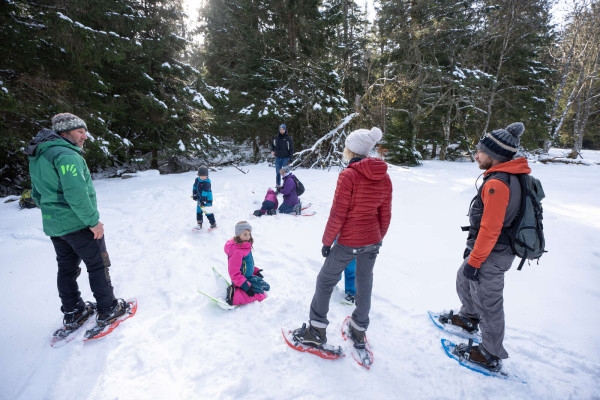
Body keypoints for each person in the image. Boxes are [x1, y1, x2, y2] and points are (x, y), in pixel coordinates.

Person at [438, 122, 529, 372]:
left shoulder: (497, 184)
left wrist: (476, 261)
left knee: (489, 301)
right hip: (490, 248)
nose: (476, 155)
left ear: (494, 155)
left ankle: (489, 354)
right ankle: (468, 318)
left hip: (494, 252)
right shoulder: (507, 175)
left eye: (480, 151)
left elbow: (491, 229)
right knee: (463, 278)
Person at [25, 113, 127, 330]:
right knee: (98, 264)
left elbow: (36, 193)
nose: (85, 136)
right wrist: (93, 221)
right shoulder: (67, 155)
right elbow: (76, 194)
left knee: (67, 269)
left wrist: (54, 212)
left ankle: (74, 312)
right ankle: (108, 309)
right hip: (78, 223)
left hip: (56, 225)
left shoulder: (40, 155)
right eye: (80, 132)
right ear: (65, 133)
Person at [292, 127, 392, 349]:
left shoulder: (349, 175)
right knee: (364, 283)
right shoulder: (384, 177)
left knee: (325, 281)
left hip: (348, 242)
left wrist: (327, 242)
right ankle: (358, 330)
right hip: (372, 241)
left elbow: (338, 213)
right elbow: (385, 215)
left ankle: (316, 331)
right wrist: (376, 239)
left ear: (351, 150)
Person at [224, 221, 270, 306]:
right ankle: (233, 295)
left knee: (266, 287)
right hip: (241, 281)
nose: (248, 236)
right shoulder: (236, 252)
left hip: (248, 276)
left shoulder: (245, 246)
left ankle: (241, 291)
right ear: (238, 235)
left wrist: (255, 270)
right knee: (260, 295)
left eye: (249, 234)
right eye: (245, 234)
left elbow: (246, 263)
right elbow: (234, 273)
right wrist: (245, 286)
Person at [192, 166, 217, 230]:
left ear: (207, 175)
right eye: (201, 176)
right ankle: (199, 224)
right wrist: (194, 194)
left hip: (207, 199)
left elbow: (205, 192)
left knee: (207, 211)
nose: (203, 177)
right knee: (198, 211)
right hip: (199, 198)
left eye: (204, 176)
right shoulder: (197, 180)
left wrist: (203, 200)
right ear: (199, 175)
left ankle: (213, 224)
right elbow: (194, 187)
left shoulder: (207, 182)